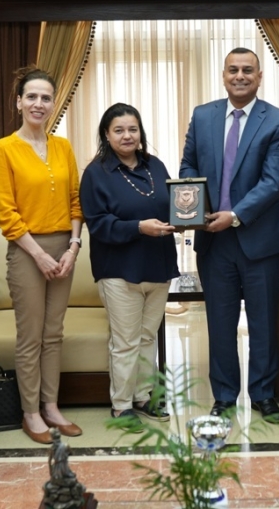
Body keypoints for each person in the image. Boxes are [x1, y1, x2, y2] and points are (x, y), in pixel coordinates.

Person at [180, 47, 279, 424]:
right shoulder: (203, 116)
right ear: (224, 75)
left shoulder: (278, 120)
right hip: (214, 241)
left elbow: (274, 181)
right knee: (220, 323)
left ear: (259, 77)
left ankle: (263, 394)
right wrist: (193, 207)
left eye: (248, 70)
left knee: (263, 322)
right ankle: (224, 396)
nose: (240, 76)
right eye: (233, 70)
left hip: (261, 241)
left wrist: (236, 215)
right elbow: (188, 165)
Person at [0, 66, 84, 444]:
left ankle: (51, 407)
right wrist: (39, 255)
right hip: (26, 251)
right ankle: (30, 412)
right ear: (18, 102)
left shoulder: (63, 147)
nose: (38, 103)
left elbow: (76, 201)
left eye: (46, 98)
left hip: (65, 248)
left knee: (53, 333)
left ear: (53, 103)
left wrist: (74, 247)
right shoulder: (4, 148)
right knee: (30, 336)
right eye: (31, 96)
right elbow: (5, 212)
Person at [80, 103, 178, 431]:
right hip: (118, 269)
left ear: (140, 132)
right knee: (125, 341)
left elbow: (173, 205)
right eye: (119, 130)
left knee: (148, 337)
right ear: (106, 135)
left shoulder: (155, 165)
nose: (127, 136)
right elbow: (97, 223)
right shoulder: (96, 173)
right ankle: (121, 405)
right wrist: (139, 227)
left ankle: (143, 396)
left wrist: (184, 219)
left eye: (132, 129)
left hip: (159, 263)